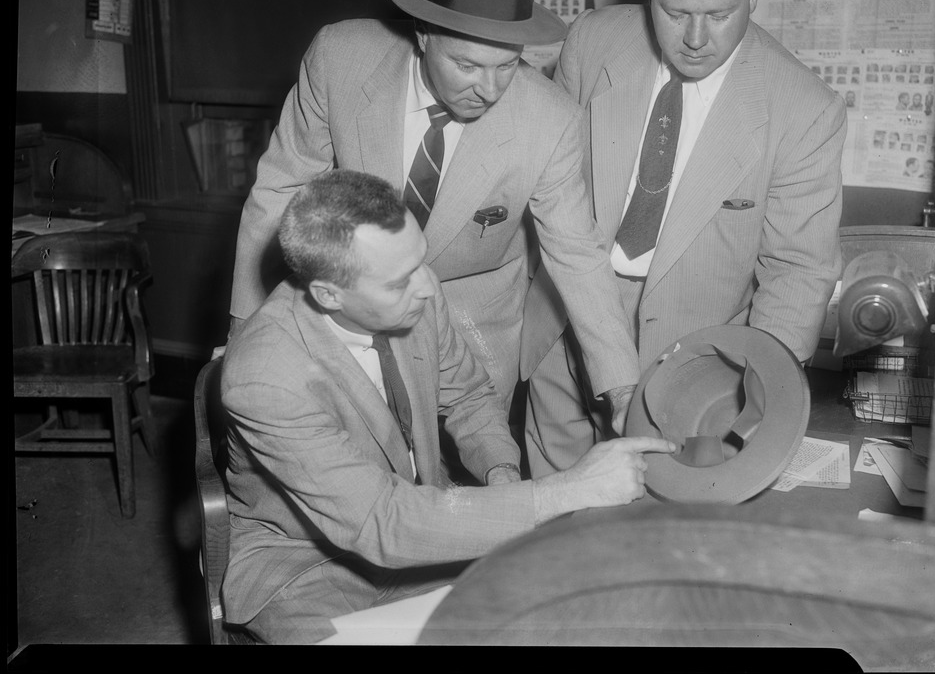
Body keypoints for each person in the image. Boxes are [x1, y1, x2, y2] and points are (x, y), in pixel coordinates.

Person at [221, 170, 676, 643]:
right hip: (306, 566)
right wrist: (565, 491)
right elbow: (382, 522)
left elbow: (470, 397)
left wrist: (502, 474)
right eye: (399, 281)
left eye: (421, 260)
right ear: (328, 295)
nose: (426, 286)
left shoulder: (416, 292)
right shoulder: (265, 375)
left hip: (422, 527)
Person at [228, 0, 641, 429]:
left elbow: (577, 254)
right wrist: (243, 330)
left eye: (507, 66)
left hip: (475, 331)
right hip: (347, 317)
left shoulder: (551, 120)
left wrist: (621, 389)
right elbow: (279, 190)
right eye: (468, 66)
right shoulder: (339, 60)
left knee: (474, 482)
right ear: (423, 35)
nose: (488, 89)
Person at [521, 0, 846, 476]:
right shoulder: (592, 42)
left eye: (720, 13)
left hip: (696, 355)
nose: (695, 39)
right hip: (568, 318)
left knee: (654, 534)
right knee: (551, 533)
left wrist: (748, 394)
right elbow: (552, 190)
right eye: (674, 12)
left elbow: (797, 271)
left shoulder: (803, 109)